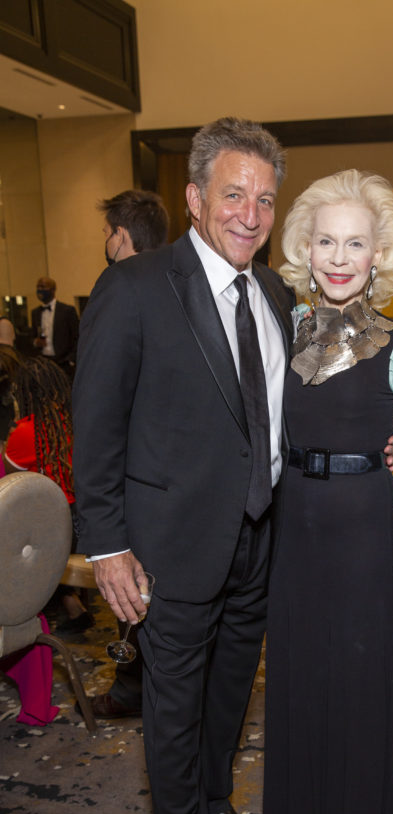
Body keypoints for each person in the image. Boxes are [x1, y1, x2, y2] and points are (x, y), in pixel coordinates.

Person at [72, 117, 393, 814]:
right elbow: (96, 425)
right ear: (194, 197)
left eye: (263, 197)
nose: (249, 213)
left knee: (225, 701)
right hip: (168, 549)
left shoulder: (278, 297)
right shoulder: (139, 286)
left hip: (261, 542)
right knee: (173, 712)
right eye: (232, 194)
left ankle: (212, 807)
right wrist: (105, 545)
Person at [261, 170, 393, 814]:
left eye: (355, 244)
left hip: (364, 531)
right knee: (300, 685)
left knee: (361, 690)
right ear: (305, 249)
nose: (339, 257)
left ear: (379, 257)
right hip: (294, 535)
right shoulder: (286, 331)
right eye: (326, 241)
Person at [85, 189, 170, 721]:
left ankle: (132, 688)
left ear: (121, 234)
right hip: (165, 478)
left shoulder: (116, 285)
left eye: (107, 233)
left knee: (132, 590)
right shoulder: (175, 284)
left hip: (130, 478)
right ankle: (140, 685)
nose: (106, 243)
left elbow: (97, 409)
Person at [3, 356, 93, 634]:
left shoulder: (25, 432)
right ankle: (74, 601)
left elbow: (11, 479)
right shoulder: (76, 420)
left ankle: (52, 607)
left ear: (24, 393)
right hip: (82, 509)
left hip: (46, 517)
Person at [99, 189, 170, 265]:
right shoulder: (177, 272)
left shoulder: (113, 275)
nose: (106, 242)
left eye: (106, 234)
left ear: (119, 235)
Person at [30, 278, 79, 374]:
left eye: (43, 286)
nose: (40, 289)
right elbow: (32, 336)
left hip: (63, 362)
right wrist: (36, 342)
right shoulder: (35, 313)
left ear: (52, 289)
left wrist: (71, 360)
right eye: (38, 287)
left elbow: (77, 337)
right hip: (43, 362)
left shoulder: (67, 311)